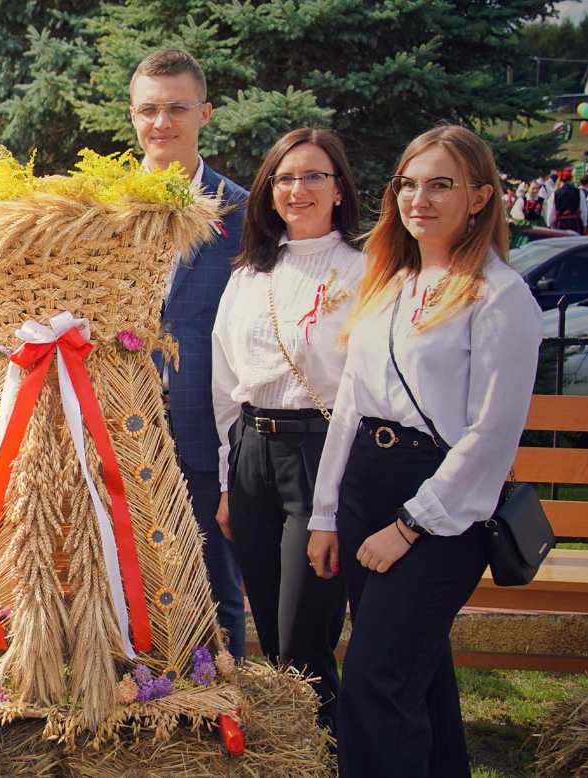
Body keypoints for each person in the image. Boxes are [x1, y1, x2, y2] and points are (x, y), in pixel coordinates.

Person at [307, 125, 542, 777]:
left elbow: (492, 435)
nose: (420, 198)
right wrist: (327, 513)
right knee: (420, 677)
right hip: (364, 488)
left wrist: (411, 526)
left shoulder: (499, 297)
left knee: (374, 686)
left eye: (442, 184)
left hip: (440, 507)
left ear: (480, 197)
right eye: (408, 183)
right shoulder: (390, 280)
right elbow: (350, 405)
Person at [211, 127, 362, 731]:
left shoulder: (365, 270)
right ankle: (286, 756)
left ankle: (327, 755)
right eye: (285, 177)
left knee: (305, 640)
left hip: (320, 455)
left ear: (339, 188)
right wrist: (228, 481)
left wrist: (333, 500)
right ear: (269, 191)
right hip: (251, 453)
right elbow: (225, 384)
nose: (298, 188)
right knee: (270, 636)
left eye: (314, 176)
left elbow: (365, 386)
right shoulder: (249, 273)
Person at [131, 48, 248, 657]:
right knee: (132, 577)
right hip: (125, 428)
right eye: (149, 109)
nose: (162, 123)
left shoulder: (248, 213)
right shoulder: (104, 211)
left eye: (177, 108)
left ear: (204, 113)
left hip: (208, 427)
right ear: (133, 117)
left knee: (216, 580)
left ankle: (227, 711)